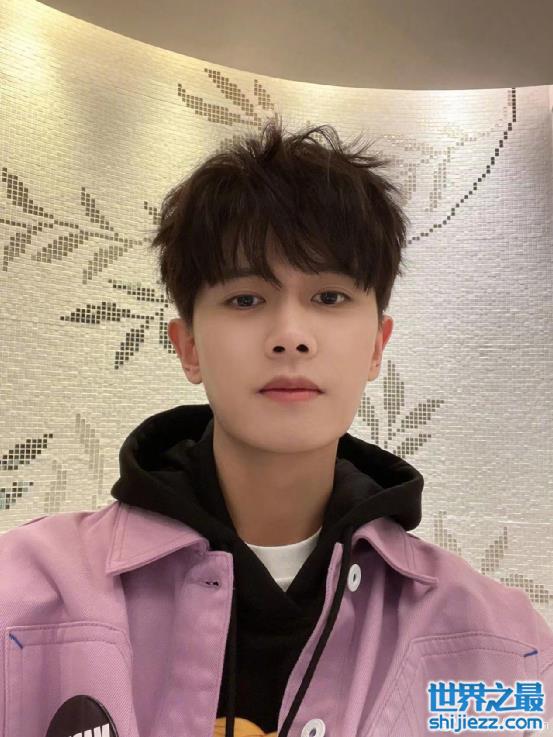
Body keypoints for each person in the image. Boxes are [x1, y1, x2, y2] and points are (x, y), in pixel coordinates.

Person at [1, 116, 552, 737]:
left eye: (330, 297)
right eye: (245, 299)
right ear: (188, 347)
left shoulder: (505, 648)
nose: (291, 335)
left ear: (377, 346)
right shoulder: (22, 595)